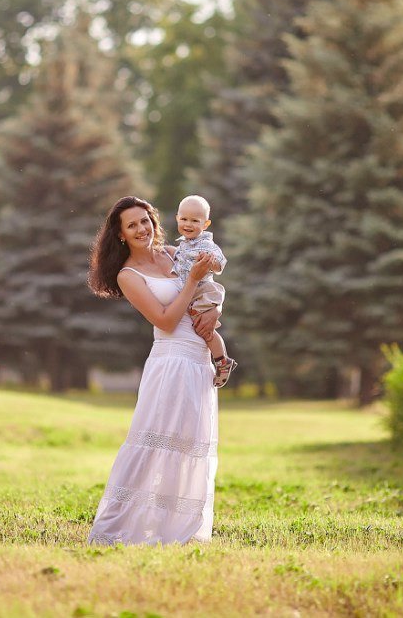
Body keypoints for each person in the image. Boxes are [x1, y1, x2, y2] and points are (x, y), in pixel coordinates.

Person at [85, 195, 222, 545]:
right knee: (152, 443)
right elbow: (165, 319)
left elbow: (207, 290)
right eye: (132, 225)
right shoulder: (128, 275)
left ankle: (179, 531)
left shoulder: (176, 254)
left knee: (190, 445)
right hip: (170, 362)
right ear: (121, 235)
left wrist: (215, 313)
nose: (141, 228)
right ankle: (116, 528)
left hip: (198, 360)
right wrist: (191, 280)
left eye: (145, 220)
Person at [172, 194, 238, 388]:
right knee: (200, 328)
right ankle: (220, 359)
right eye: (184, 219)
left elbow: (220, 264)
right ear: (177, 218)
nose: (188, 224)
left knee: (204, 329)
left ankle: (221, 360)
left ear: (206, 224)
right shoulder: (181, 244)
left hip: (203, 292)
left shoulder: (206, 244)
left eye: (195, 220)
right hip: (192, 293)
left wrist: (211, 261)